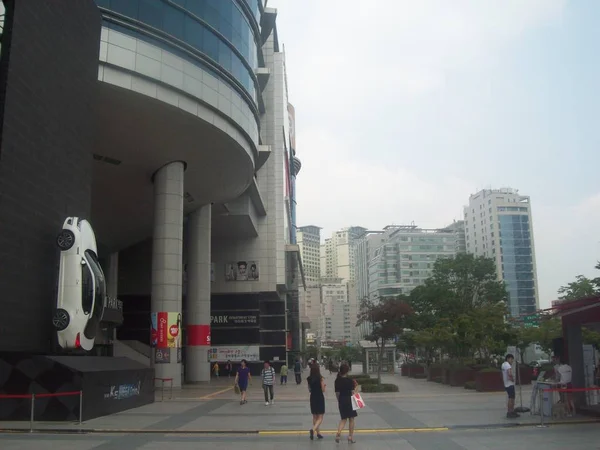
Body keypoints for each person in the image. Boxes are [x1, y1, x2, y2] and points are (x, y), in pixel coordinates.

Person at [334, 363, 357, 443]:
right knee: (351, 419)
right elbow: (353, 392)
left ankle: (338, 433)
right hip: (349, 400)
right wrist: (355, 386)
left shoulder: (337, 381)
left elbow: (337, 393)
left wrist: (339, 400)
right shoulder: (350, 381)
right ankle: (350, 436)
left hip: (342, 400)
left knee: (343, 419)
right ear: (347, 371)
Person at [307, 364, 326, 440]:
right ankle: (313, 429)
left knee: (314, 416)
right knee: (320, 416)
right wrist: (324, 386)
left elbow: (309, 389)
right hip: (319, 397)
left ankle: (318, 433)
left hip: (313, 397)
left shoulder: (309, 379)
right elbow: (323, 390)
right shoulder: (320, 378)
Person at [502, 354, 518, 418]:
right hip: (510, 384)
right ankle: (510, 412)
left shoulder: (503, 364)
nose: (512, 361)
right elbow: (509, 374)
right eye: (511, 359)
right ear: (508, 358)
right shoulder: (508, 365)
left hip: (506, 384)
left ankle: (511, 411)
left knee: (511, 397)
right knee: (511, 398)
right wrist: (513, 379)